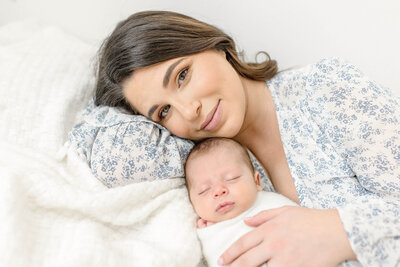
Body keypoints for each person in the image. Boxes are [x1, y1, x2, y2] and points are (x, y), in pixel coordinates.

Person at [94, 10, 400, 267]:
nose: (189, 111)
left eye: (182, 76)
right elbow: (102, 153)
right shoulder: (196, 164)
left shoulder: (326, 90)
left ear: (217, 47)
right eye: (163, 111)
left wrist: (341, 231)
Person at [185, 137, 297, 267]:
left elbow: (300, 226)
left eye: (231, 178)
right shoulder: (204, 232)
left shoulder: (272, 204)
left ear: (256, 182)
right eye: (204, 190)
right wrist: (208, 234)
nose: (219, 191)